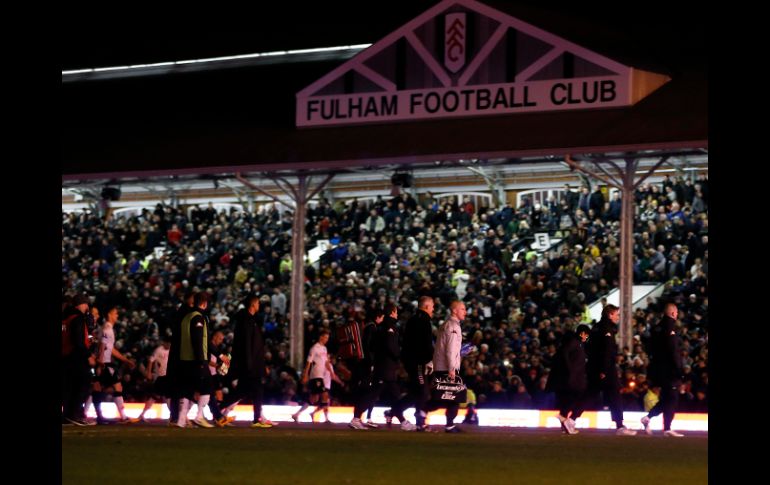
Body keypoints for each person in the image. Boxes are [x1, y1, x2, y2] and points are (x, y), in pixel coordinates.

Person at [221, 293, 274, 428]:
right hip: (250, 365)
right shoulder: (247, 321)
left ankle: (218, 409)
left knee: (243, 391)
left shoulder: (248, 320)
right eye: (257, 303)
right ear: (252, 304)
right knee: (255, 390)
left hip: (251, 363)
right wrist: (250, 364)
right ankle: (256, 419)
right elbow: (247, 344)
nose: (259, 305)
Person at [587, 304, 637, 435]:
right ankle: (620, 426)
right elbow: (607, 351)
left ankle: (569, 417)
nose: (618, 317)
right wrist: (603, 369)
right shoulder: (607, 329)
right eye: (617, 314)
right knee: (615, 394)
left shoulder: (596, 327)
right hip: (606, 368)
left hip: (597, 367)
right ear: (610, 315)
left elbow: (591, 348)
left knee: (591, 394)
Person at [388, 296, 435, 431]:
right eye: (432, 306)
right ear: (426, 306)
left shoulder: (412, 320)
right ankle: (420, 422)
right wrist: (429, 359)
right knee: (422, 392)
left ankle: (395, 410)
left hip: (411, 361)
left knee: (416, 392)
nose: (433, 309)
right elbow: (425, 343)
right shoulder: (424, 321)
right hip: (418, 362)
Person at [641, 302, 685, 437]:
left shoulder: (656, 328)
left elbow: (649, 347)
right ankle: (667, 428)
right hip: (670, 370)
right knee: (671, 398)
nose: (677, 315)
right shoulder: (669, 327)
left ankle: (648, 418)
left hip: (658, 369)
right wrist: (678, 369)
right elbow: (673, 351)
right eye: (676, 312)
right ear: (672, 313)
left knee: (666, 398)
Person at [92, 306, 136, 424]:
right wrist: (100, 362)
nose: (117, 316)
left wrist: (125, 360)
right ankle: (122, 417)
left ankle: (99, 416)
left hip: (103, 362)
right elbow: (102, 345)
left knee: (97, 388)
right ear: (109, 315)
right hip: (105, 363)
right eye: (115, 314)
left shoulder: (106, 328)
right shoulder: (108, 328)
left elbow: (110, 348)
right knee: (116, 387)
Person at [429, 300, 466, 433]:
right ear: (455, 310)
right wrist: (452, 368)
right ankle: (449, 425)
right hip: (446, 367)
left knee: (442, 397)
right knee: (452, 397)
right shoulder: (453, 327)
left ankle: (422, 413)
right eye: (462, 309)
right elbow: (450, 350)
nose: (465, 312)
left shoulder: (446, 325)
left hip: (441, 366)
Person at [547, 324, 590, 434]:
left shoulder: (578, 344)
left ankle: (564, 424)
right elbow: (565, 353)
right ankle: (563, 418)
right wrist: (569, 369)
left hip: (574, 378)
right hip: (572, 379)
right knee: (576, 398)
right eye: (586, 335)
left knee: (568, 399)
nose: (587, 338)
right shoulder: (574, 342)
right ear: (582, 333)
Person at [348, 307, 385, 429]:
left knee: (366, 392)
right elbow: (368, 348)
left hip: (364, 365)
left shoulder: (368, 328)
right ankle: (358, 418)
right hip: (367, 366)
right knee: (368, 392)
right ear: (378, 317)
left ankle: (360, 418)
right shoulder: (372, 328)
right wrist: (371, 364)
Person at [62, 293, 95, 425]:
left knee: (69, 387)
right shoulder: (78, 319)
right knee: (82, 385)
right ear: (81, 304)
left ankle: (68, 415)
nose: (87, 306)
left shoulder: (66, 318)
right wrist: (88, 356)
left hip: (66, 357)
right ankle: (75, 415)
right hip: (76, 357)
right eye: (86, 303)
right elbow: (79, 341)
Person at [297, 329, 337, 423]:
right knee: (325, 395)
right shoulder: (314, 348)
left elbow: (326, 362)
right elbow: (309, 362)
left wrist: (331, 372)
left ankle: (296, 414)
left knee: (313, 399)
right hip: (316, 375)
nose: (326, 339)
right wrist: (305, 374)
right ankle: (325, 418)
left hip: (321, 376)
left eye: (328, 338)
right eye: (325, 337)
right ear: (321, 337)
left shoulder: (324, 348)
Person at [130, 335, 171, 423]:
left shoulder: (172, 350)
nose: (169, 345)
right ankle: (173, 417)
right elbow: (151, 361)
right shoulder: (158, 350)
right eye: (167, 343)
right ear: (164, 342)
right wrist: (149, 373)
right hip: (161, 377)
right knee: (164, 396)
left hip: (169, 376)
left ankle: (142, 415)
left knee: (157, 396)